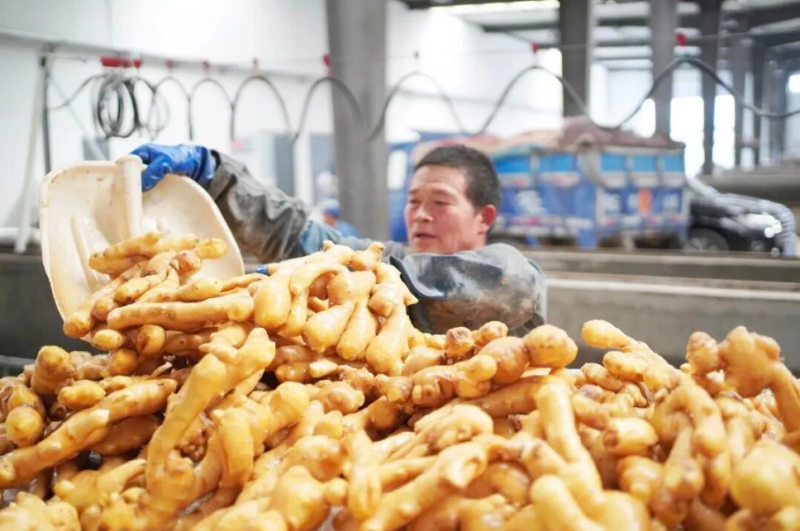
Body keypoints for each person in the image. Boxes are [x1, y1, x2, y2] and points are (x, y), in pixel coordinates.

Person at [131, 143, 546, 335]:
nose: (421, 214)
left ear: (484, 217)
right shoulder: (386, 258)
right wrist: (217, 176)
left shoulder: (510, 274)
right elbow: (299, 236)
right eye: (413, 201)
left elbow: (511, 284)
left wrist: (342, 276)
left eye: (440, 202)